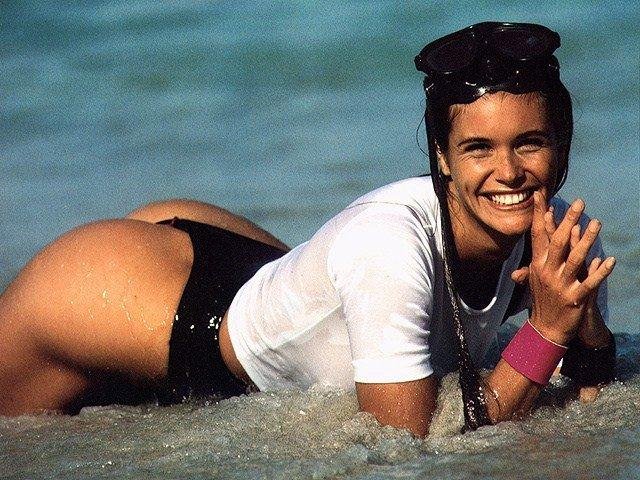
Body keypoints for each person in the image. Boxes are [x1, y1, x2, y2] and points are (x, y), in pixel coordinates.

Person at [0, 22, 616, 437]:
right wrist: (544, 331)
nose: (508, 172)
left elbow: (589, 388)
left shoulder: (567, 236)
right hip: (121, 296)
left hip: (251, 270)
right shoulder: (390, 246)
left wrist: (582, 329)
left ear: (561, 147)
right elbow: (409, 441)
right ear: (442, 157)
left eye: (529, 143)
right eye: (478, 147)